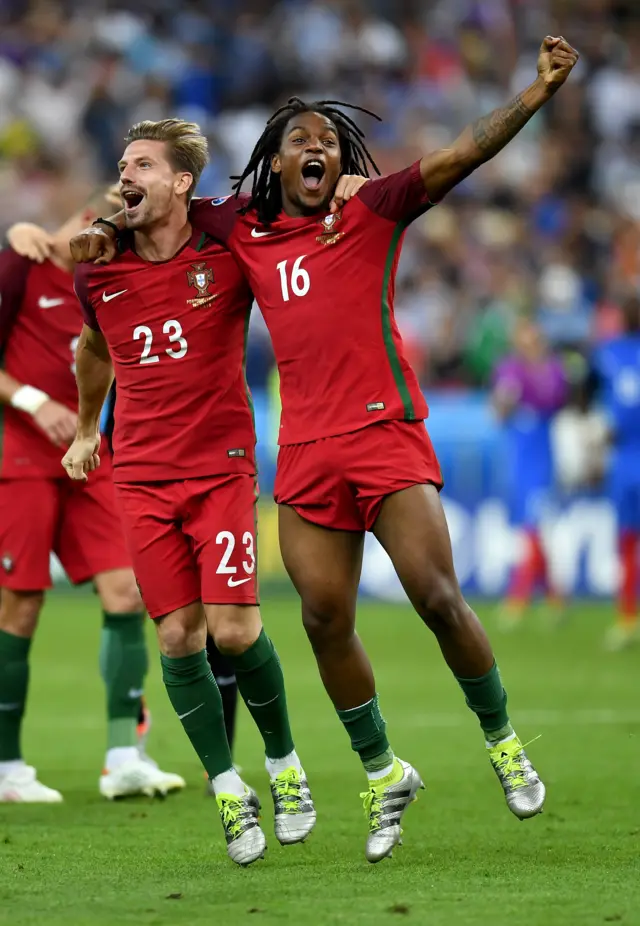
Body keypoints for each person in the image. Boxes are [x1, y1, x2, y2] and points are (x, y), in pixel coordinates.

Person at [69, 34, 579, 863]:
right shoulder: (236, 228)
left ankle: (502, 739)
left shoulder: (373, 207)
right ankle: (382, 774)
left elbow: (459, 155)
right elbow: (147, 207)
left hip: (384, 432)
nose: (318, 148)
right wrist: (99, 225)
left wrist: (537, 94)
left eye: (329, 142)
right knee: (320, 617)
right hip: (304, 450)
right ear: (273, 161)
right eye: (301, 139)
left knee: (436, 596)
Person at [60, 120, 365, 866]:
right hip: (140, 473)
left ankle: (285, 767)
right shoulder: (98, 269)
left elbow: (296, 195)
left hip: (221, 465)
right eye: (120, 163)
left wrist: (354, 192)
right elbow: (95, 348)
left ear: (181, 182)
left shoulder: (225, 244)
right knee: (175, 635)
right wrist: (85, 428)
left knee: (233, 630)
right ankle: (229, 788)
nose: (122, 175)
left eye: (140, 164)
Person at [0, 190, 184, 803]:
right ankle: (6, 766)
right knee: (20, 602)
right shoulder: (20, 266)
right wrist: (32, 400)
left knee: (128, 590)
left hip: (89, 456)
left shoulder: (113, 281)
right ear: (84, 220)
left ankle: (122, 757)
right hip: (21, 456)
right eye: (109, 221)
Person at [492, 319, 568, 625]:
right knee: (531, 528)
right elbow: (498, 412)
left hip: (542, 456)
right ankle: (554, 599)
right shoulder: (509, 369)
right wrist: (506, 399)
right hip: (519, 457)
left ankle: (518, 598)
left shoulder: (553, 370)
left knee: (534, 528)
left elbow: (559, 401)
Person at [592, 294, 640, 650]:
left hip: (625, 460)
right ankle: (627, 618)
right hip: (625, 456)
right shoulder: (608, 352)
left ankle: (627, 619)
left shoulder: (609, 353)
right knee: (626, 541)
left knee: (626, 541)